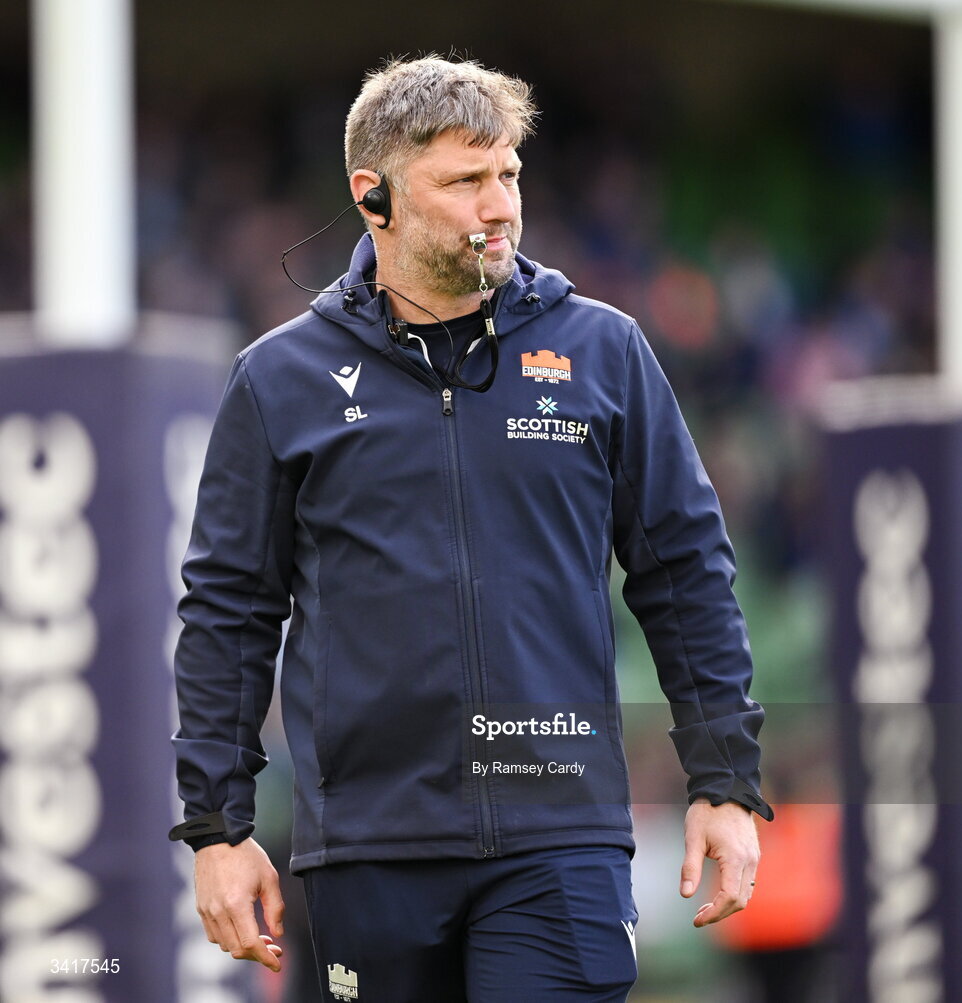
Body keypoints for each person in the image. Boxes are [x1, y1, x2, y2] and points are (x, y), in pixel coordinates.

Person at [169, 55, 773, 1002]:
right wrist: (218, 826)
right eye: (464, 182)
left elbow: (688, 571)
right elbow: (229, 613)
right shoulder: (277, 380)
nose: (500, 205)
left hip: (559, 840)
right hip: (367, 847)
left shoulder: (605, 351)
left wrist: (725, 782)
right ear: (376, 200)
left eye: (510, 176)